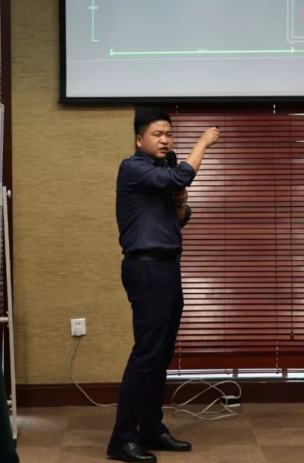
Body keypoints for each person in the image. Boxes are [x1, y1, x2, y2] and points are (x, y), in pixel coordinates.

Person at [108, 108, 219, 463]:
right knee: (146, 354)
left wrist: (180, 203)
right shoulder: (133, 168)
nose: (165, 140)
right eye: (157, 134)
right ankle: (122, 438)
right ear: (139, 139)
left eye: (169, 134)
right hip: (146, 269)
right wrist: (203, 142)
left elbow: (179, 219)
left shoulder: (160, 175)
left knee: (160, 355)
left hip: (168, 269)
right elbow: (184, 174)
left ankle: (151, 429)